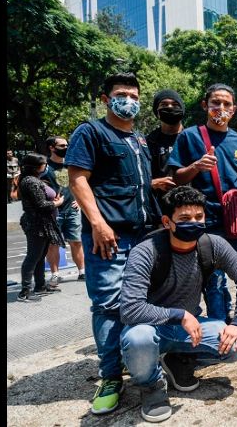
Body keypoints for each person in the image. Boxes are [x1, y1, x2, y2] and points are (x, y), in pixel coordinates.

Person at [67, 72, 163, 415]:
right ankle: (110, 377)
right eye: (121, 94)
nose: (129, 100)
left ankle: (140, 361)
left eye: (134, 94)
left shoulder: (137, 139)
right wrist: (98, 224)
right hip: (109, 237)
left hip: (144, 235)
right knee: (108, 305)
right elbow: (77, 178)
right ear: (106, 99)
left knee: (142, 301)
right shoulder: (90, 132)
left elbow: (136, 185)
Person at [119, 186, 237, 423]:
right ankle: (151, 387)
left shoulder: (212, 244)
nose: (193, 223)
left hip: (188, 330)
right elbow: (130, 309)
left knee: (235, 347)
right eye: (184, 219)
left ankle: (179, 360)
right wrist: (179, 314)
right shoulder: (146, 251)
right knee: (138, 339)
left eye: (198, 217)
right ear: (167, 221)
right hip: (152, 328)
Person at [168, 83, 237, 360]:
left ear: (234, 109)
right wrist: (196, 167)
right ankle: (220, 329)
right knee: (214, 281)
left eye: (227, 105)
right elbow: (175, 178)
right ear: (205, 106)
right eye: (216, 103)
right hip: (205, 224)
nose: (222, 109)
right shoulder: (190, 137)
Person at [16, 153, 65, 301]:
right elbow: (41, 205)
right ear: (36, 167)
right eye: (44, 164)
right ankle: (24, 292)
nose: (46, 166)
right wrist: (57, 203)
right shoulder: (30, 181)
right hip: (36, 223)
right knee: (33, 256)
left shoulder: (33, 179)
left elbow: (42, 200)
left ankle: (40, 285)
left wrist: (53, 199)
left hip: (43, 223)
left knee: (40, 256)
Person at [43, 136, 86, 284]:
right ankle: (55, 275)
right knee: (52, 244)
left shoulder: (70, 164)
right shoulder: (45, 167)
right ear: (52, 148)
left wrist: (79, 201)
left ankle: (82, 272)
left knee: (77, 241)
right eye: (62, 146)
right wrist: (48, 202)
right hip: (54, 213)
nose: (66, 148)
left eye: (67, 145)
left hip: (72, 210)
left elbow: (80, 183)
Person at [146, 89, 184, 202]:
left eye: (175, 104)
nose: (170, 107)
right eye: (164, 104)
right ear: (157, 111)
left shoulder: (192, 138)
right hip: (157, 205)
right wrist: (154, 183)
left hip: (188, 204)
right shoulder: (148, 141)